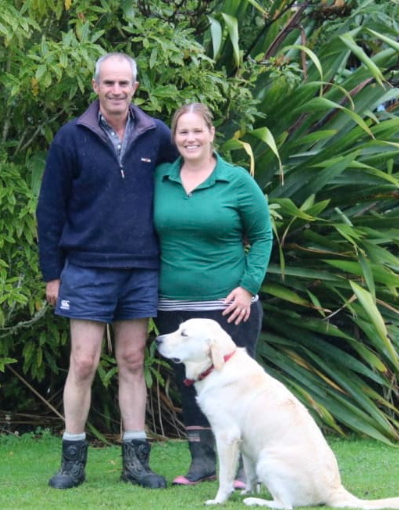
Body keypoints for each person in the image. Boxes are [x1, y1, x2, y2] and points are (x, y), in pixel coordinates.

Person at [36, 52, 178, 490]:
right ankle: (72, 461)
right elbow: (50, 208)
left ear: (135, 87)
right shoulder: (71, 137)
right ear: (95, 86)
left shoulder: (157, 135)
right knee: (83, 363)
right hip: (85, 268)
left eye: (124, 83)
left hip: (140, 267)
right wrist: (52, 274)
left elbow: (185, 181)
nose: (117, 90)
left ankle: (136, 462)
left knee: (133, 361)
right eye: (109, 83)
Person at [152, 102, 273, 486]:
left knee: (238, 387)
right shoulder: (160, 178)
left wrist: (248, 288)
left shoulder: (236, 181)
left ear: (211, 133)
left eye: (197, 131)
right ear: (174, 137)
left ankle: (245, 468)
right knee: (189, 383)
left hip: (230, 307)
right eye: (182, 132)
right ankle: (202, 462)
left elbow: (263, 234)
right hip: (173, 306)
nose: (190, 138)